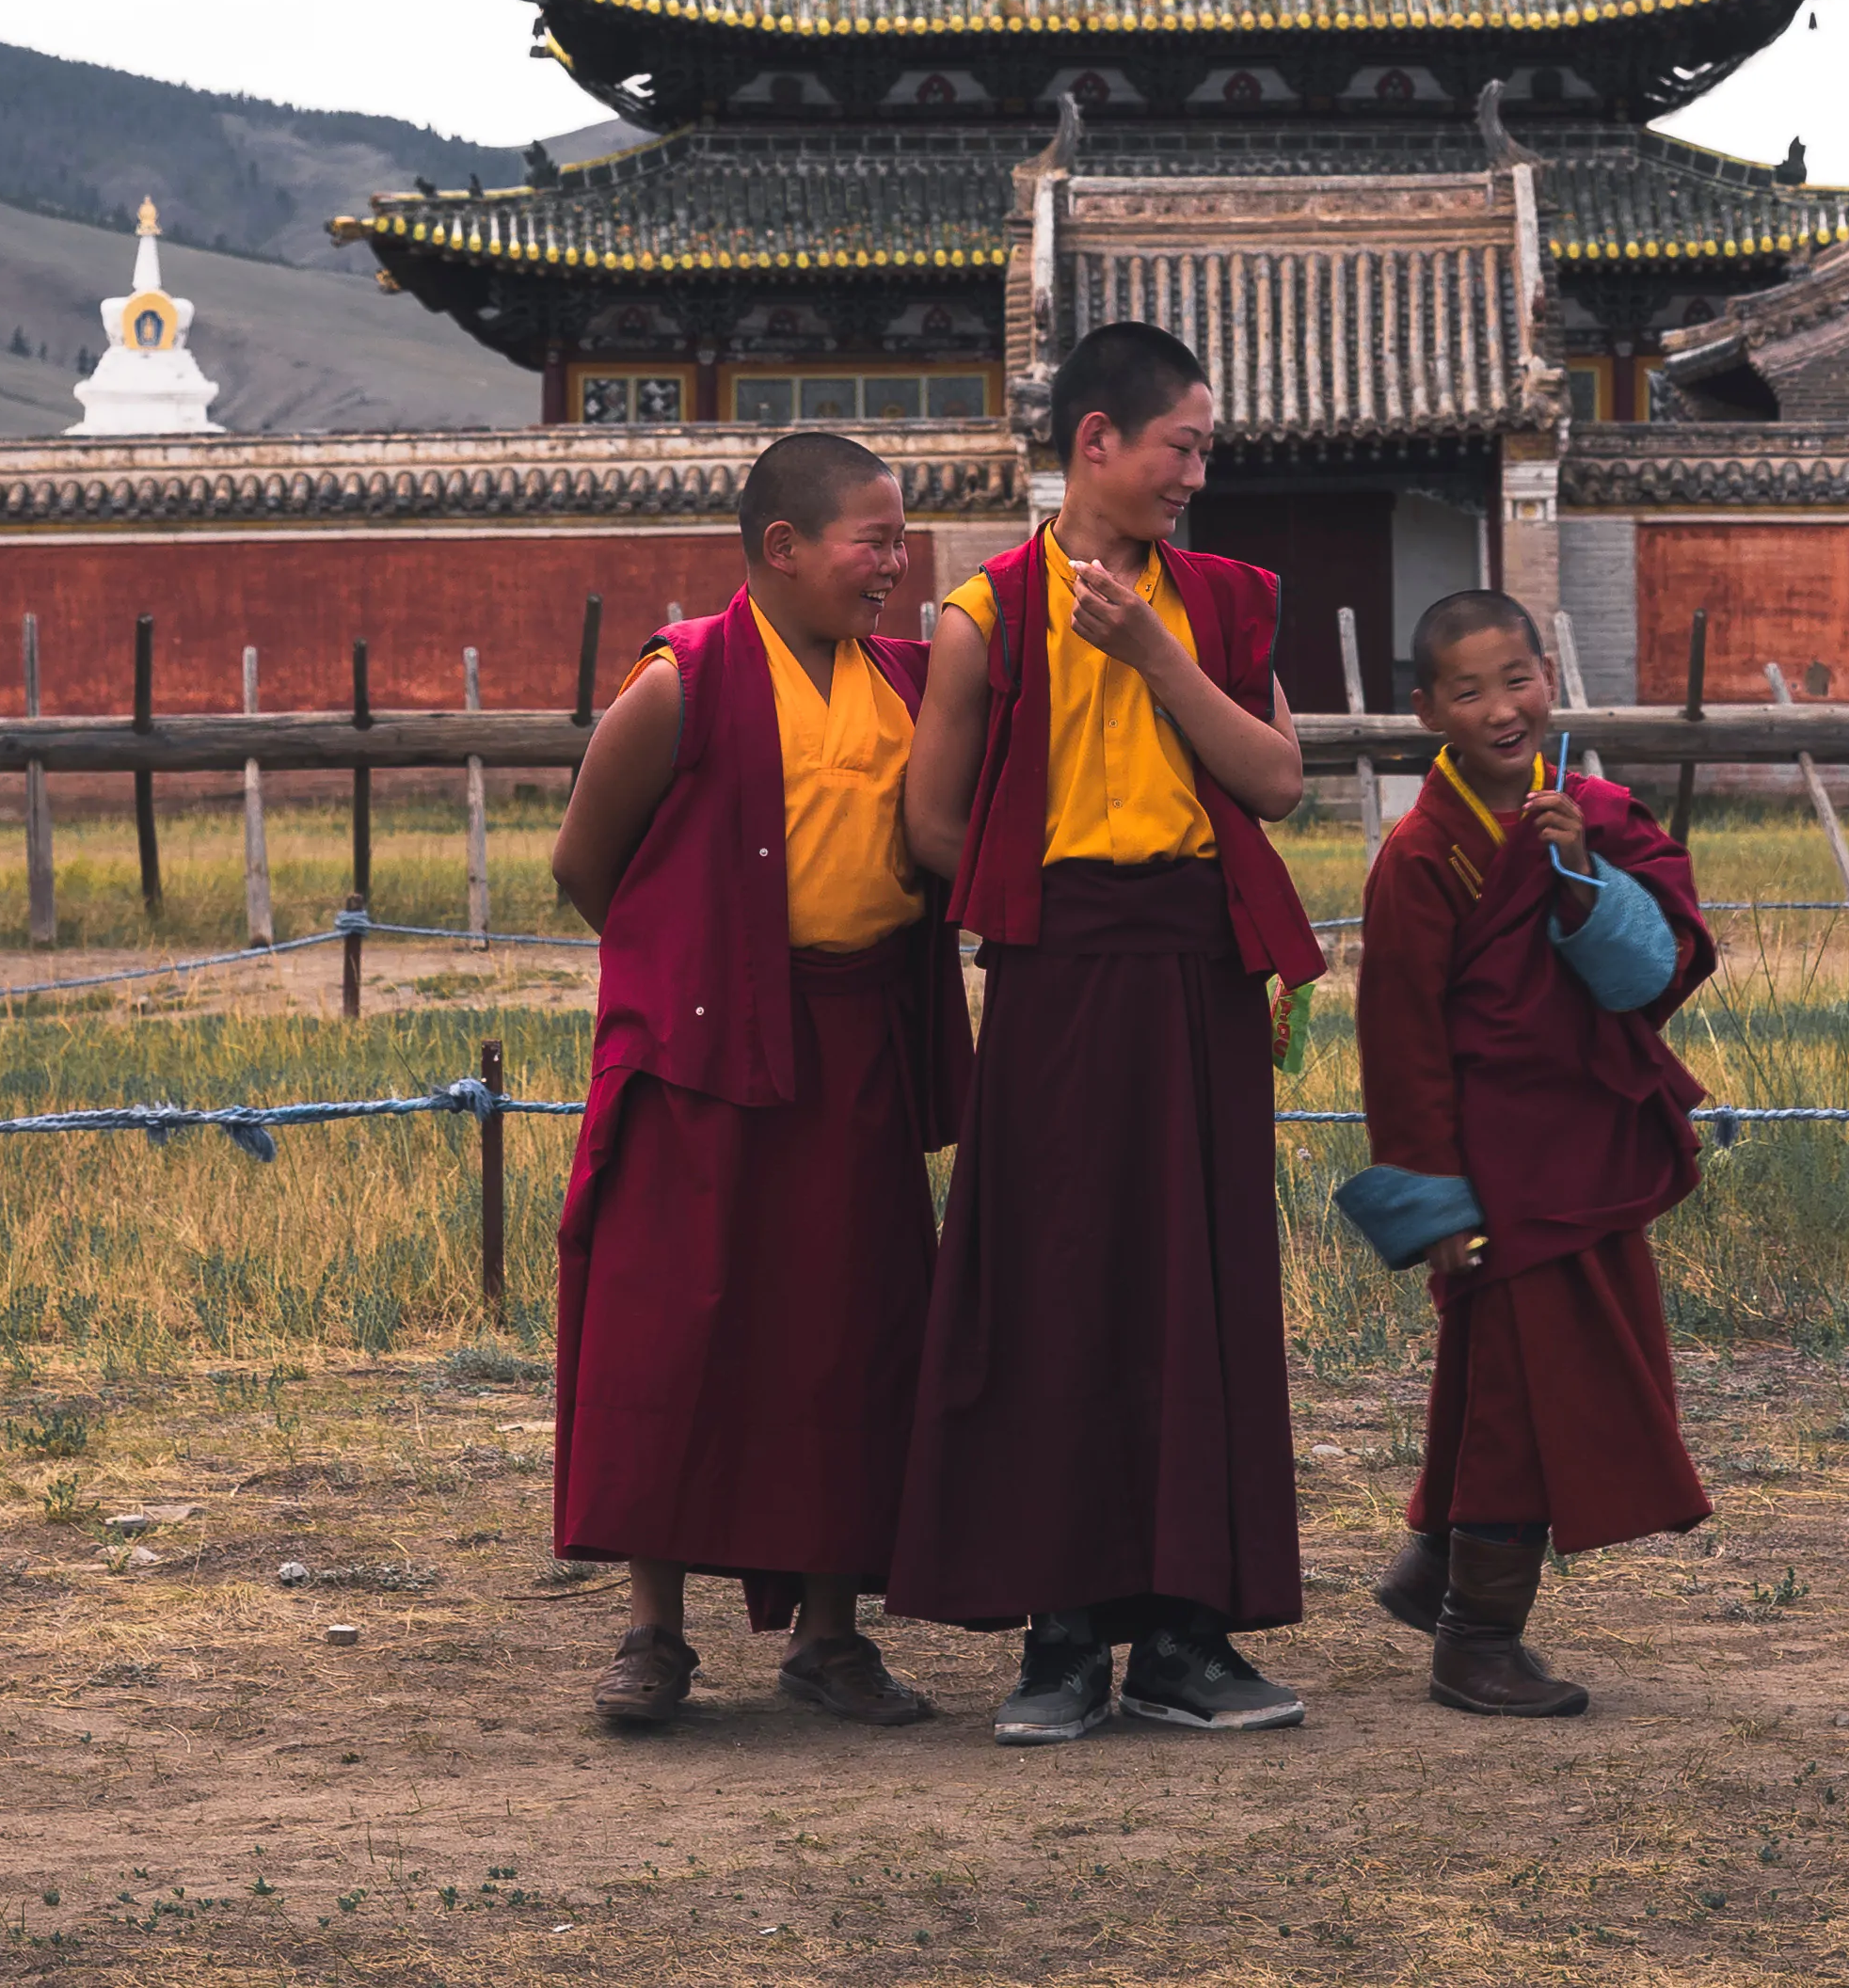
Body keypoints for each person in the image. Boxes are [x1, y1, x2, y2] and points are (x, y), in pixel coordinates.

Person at [889, 320, 1326, 1744]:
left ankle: (1189, 1638)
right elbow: (930, 821)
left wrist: (1150, 654)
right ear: (1095, 443)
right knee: (1055, 1291)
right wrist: (1035, 904)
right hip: (1057, 978)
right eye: (1178, 446)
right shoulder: (984, 614)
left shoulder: (1218, 601)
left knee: (1193, 1290)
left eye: (1203, 450)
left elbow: (1274, 780)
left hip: (1194, 967)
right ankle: (1061, 1636)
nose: (1194, 473)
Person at [546, 430, 971, 1731]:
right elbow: (582, 862)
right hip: (702, 1048)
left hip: (854, 1041)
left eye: (902, 542)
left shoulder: (904, 681)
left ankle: (832, 1638)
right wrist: (697, 957)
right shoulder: (686, 681)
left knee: (846, 1330)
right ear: (782, 549)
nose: (896, 568)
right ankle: (651, 1633)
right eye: (875, 541)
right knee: (673, 1330)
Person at [1337, 588, 1717, 1717]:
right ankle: (1474, 1637)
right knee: (1516, 1391)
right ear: (1426, 711)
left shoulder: (1596, 812)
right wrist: (1437, 1204)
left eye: (1517, 679)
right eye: (1469, 690)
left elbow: (1660, 973)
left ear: (1549, 676)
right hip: (1497, 1169)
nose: (1501, 708)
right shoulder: (1421, 856)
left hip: (1585, 1144)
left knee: (1514, 1374)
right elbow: (1399, 1045)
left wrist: (1582, 877)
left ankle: (1433, 1572)